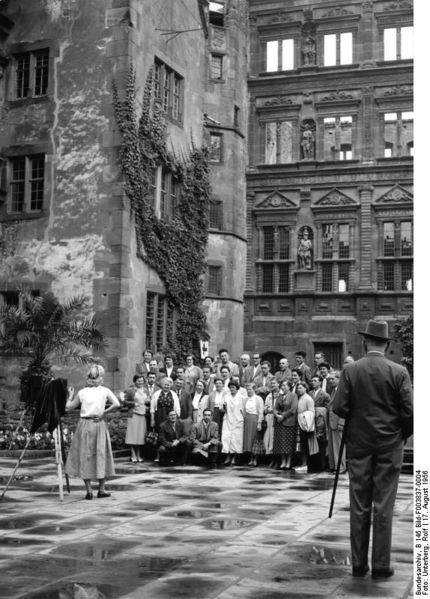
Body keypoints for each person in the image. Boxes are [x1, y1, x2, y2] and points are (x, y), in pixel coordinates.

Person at [333, 319, 413, 579]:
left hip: (359, 445)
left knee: (359, 506)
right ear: (387, 344)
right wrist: (399, 435)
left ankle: (358, 564)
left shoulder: (351, 370)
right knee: (383, 506)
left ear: (366, 341)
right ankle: (381, 565)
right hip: (390, 447)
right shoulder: (399, 371)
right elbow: (409, 413)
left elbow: (339, 407)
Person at [65, 365, 120, 500]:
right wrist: (103, 413)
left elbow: (68, 407)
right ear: (100, 377)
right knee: (101, 454)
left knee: (86, 455)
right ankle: (101, 489)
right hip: (97, 423)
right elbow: (117, 404)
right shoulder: (104, 390)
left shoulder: (83, 392)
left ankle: (89, 490)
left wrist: (70, 395)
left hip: (85, 424)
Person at [123, 374, 150, 463]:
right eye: (138, 381)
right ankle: (133, 453)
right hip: (133, 414)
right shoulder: (130, 390)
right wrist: (133, 404)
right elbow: (125, 402)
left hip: (142, 415)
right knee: (132, 435)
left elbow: (148, 401)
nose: (140, 382)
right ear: (135, 381)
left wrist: (147, 403)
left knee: (140, 436)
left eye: (142, 381)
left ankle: (138, 454)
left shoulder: (145, 390)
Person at [273, 380, 298, 470]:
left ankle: (288, 461)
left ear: (289, 386)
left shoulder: (293, 396)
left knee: (288, 443)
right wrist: (276, 415)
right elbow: (275, 408)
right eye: (282, 386)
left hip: (288, 421)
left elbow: (293, 409)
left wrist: (283, 416)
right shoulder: (280, 396)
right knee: (281, 443)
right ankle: (283, 461)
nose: (282, 387)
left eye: (284, 385)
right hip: (279, 422)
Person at [221, 378, 246, 466]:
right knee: (226, 438)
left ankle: (235, 457)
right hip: (227, 419)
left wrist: (243, 419)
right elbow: (222, 409)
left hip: (238, 420)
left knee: (236, 439)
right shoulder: (226, 396)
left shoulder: (242, 397)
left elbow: (243, 410)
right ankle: (227, 456)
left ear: (237, 388)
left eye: (233, 387)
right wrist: (224, 407)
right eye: (230, 387)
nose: (231, 389)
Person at [295, 381, 318, 472]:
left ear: (305, 388)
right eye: (298, 388)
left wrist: (305, 418)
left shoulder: (308, 399)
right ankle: (303, 464)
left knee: (306, 445)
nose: (298, 390)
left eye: (300, 388)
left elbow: (312, 411)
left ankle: (306, 465)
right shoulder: (300, 398)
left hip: (306, 424)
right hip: (300, 423)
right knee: (302, 445)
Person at [309, 374, 330, 472]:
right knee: (312, 443)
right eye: (312, 380)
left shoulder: (325, 395)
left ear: (320, 382)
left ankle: (323, 464)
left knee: (321, 442)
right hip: (311, 421)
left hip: (320, 421)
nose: (313, 382)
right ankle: (314, 464)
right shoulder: (309, 393)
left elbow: (327, 409)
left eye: (315, 380)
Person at [327, 370, 346, 474]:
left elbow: (344, 408)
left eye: (333, 379)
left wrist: (341, 422)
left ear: (339, 379)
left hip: (338, 421)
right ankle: (334, 466)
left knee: (339, 446)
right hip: (332, 421)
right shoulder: (334, 390)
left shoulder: (342, 391)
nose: (331, 381)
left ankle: (341, 467)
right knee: (333, 445)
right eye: (330, 379)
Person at [242, 382, 265, 467]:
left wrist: (259, 423)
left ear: (254, 389)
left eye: (250, 389)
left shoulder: (258, 399)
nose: (248, 391)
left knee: (255, 439)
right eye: (247, 389)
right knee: (248, 441)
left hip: (254, 420)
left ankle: (255, 459)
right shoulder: (245, 399)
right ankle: (250, 459)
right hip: (247, 420)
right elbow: (244, 411)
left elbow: (260, 412)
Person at [263, 378, 279, 466]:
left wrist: (273, 410)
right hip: (269, 419)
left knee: (275, 439)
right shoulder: (269, 395)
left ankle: (277, 460)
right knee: (268, 440)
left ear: (278, 384)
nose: (273, 385)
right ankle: (271, 459)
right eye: (271, 384)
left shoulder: (281, 394)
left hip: (277, 419)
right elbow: (265, 407)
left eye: (274, 383)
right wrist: (266, 409)